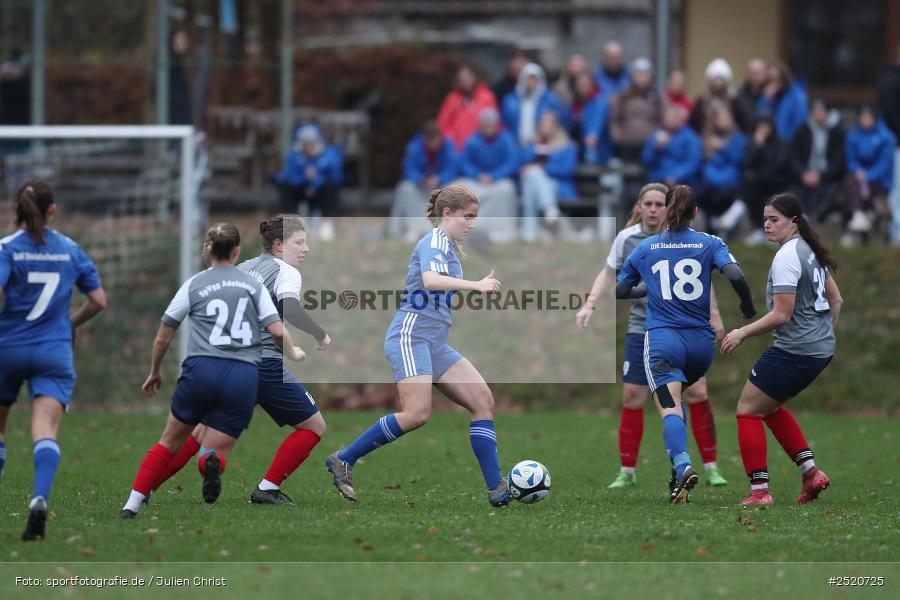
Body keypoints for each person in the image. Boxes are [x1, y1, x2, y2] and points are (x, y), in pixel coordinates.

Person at [325, 185, 511, 507]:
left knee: (482, 401)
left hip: (435, 342)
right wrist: (476, 285)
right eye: (467, 217)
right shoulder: (434, 240)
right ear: (447, 214)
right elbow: (431, 280)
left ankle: (498, 489)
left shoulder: (449, 246)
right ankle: (344, 458)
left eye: (475, 218)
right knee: (416, 414)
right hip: (410, 337)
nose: (471, 224)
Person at [142, 216, 330, 506]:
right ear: (279, 245)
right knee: (313, 426)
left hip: (227, 363)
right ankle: (267, 488)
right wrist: (319, 334)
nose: (306, 249)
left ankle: (144, 489)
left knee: (200, 432)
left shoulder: (243, 268)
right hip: (264, 364)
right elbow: (289, 308)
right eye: (300, 242)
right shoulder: (287, 272)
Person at [575, 183, 728, 489]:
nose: (655, 209)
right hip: (641, 328)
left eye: (661, 204)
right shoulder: (628, 238)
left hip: (685, 328)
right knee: (633, 396)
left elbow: (703, 280)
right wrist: (589, 305)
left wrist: (714, 315)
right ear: (640, 207)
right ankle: (627, 471)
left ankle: (710, 466)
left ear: (669, 208)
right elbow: (608, 274)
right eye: (650, 204)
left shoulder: (687, 239)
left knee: (696, 394)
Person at [616, 185, 756, 503]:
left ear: (667, 210)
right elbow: (734, 275)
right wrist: (747, 307)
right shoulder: (710, 242)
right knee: (682, 401)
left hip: (664, 343)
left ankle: (682, 465)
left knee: (669, 408)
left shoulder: (647, 247)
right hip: (701, 347)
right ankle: (678, 481)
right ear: (695, 212)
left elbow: (621, 291)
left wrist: (649, 289)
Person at [0, 180, 107, 540]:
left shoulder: (8, 248)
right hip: (54, 351)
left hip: (9, 349)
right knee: (44, 430)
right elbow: (98, 300)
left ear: (17, 209)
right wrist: (70, 323)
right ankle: (39, 499)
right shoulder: (71, 249)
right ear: (52, 210)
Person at [722, 193, 841, 507]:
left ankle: (760, 492)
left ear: (794, 222)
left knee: (747, 410)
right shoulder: (810, 251)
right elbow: (836, 301)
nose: (767, 225)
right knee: (768, 408)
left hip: (796, 349)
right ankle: (811, 473)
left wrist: (741, 332)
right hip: (819, 349)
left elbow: (782, 314)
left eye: (774, 219)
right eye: (764, 219)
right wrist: (823, 336)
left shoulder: (788, 256)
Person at [456, 108, 519, 242]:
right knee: (460, 188)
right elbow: (464, 162)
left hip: (498, 181)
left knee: (507, 189)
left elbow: (511, 162)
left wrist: (494, 176)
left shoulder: (506, 139)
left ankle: (500, 229)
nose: (489, 128)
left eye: (492, 125)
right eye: (486, 125)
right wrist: (477, 175)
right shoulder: (472, 140)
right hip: (476, 180)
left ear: (497, 125)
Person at [271, 124, 343, 241]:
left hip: (320, 191)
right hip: (300, 189)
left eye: (312, 143)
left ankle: (326, 224)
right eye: (306, 143)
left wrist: (315, 181)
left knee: (331, 188)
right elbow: (287, 177)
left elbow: (336, 178)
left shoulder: (329, 156)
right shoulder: (294, 156)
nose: (309, 146)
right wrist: (304, 179)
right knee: (286, 188)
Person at [391, 121, 459, 239]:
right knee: (406, 188)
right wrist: (421, 179)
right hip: (420, 186)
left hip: (441, 185)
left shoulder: (448, 145)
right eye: (430, 142)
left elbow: (453, 167)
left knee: (456, 188)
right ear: (425, 140)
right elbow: (408, 169)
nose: (434, 145)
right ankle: (413, 227)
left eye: (436, 141)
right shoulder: (414, 147)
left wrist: (440, 178)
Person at [841, 106, 896, 245]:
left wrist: (868, 176)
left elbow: (885, 163)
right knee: (850, 183)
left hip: (879, 181)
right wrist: (859, 172)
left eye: (868, 117)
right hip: (857, 177)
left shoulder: (886, 136)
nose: (865, 120)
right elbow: (850, 159)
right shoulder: (852, 135)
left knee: (876, 203)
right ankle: (857, 215)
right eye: (862, 117)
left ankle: (863, 222)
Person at [519, 111, 578, 240]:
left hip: (558, 184)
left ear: (556, 126)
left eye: (549, 124)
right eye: (543, 124)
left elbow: (567, 169)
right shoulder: (531, 143)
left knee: (533, 178)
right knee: (532, 180)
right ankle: (549, 209)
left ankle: (529, 231)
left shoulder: (567, 145)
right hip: (533, 183)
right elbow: (522, 164)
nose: (546, 128)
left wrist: (542, 168)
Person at [788, 98, 845, 224]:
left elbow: (839, 161)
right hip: (804, 175)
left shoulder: (836, 132)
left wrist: (822, 175)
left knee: (834, 193)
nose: (819, 114)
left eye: (821, 110)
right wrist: (803, 173)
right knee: (792, 195)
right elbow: (794, 158)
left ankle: (813, 219)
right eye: (815, 110)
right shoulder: (801, 131)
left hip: (827, 176)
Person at [741, 113, 790, 245]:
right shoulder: (753, 142)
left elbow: (780, 164)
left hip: (777, 182)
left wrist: (759, 175)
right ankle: (758, 229)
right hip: (757, 184)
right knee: (750, 184)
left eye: (766, 126)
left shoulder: (781, 143)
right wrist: (757, 145)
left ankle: (774, 233)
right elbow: (746, 163)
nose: (763, 129)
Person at [699, 104, 747, 235]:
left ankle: (724, 226)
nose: (724, 120)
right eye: (720, 117)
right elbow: (707, 161)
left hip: (730, 178)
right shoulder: (708, 137)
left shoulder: (738, 138)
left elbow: (737, 160)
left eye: (726, 117)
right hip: (711, 177)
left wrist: (722, 147)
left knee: (722, 193)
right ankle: (712, 225)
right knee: (703, 193)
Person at [609, 58, 661, 162]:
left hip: (651, 144)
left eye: (645, 75)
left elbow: (663, 117)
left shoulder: (656, 96)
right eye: (639, 74)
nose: (642, 78)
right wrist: (616, 134)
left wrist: (659, 134)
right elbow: (614, 119)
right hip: (627, 144)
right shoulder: (623, 95)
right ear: (632, 76)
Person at [500, 62, 564, 147]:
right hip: (515, 144)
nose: (531, 83)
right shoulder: (510, 100)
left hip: (540, 144)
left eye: (534, 79)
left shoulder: (550, 100)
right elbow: (503, 124)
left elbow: (557, 122)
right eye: (528, 79)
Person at [436, 65, 498, 152]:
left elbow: (494, 124)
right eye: (461, 78)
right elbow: (442, 124)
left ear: (474, 77)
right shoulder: (452, 98)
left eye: (467, 77)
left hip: (481, 148)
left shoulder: (487, 97)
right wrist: (451, 141)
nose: (465, 81)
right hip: (456, 148)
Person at [641, 104, 702, 189]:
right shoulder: (656, 135)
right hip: (657, 178)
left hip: (681, 180)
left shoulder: (690, 137)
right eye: (668, 118)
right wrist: (656, 147)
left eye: (673, 118)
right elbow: (646, 160)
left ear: (680, 119)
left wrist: (676, 175)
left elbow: (693, 162)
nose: (670, 120)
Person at [688, 58, 747, 134]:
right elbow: (693, 124)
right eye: (715, 79)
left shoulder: (735, 100)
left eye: (721, 79)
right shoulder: (701, 100)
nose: (718, 83)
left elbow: (743, 125)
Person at [878, 44, 900, 244]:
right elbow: (890, 114)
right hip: (896, 145)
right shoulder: (892, 80)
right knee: (898, 191)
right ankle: (896, 234)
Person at [569, 72, 612, 165]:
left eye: (585, 85)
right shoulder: (575, 104)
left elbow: (597, 119)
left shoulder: (599, 101)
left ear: (592, 85)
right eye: (579, 85)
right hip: (580, 149)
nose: (582, 88)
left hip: (598, 149)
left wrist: (593, 134)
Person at [757, 63, 808, 141]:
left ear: (783, 78)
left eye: (776, 79)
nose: (773, 83)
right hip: (772, 141)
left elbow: (800, 123)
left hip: (790, 141)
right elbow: (760, 117)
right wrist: (766, 99)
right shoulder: (768, 95)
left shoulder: (797, 95)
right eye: (771, 80)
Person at [735, 59, 767, 134]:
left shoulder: (772, 93)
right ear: (747, 74)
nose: (755, 77)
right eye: (753, 73)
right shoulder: (739, 96)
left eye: (759, 73)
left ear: (765, 74)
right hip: (746, 138)